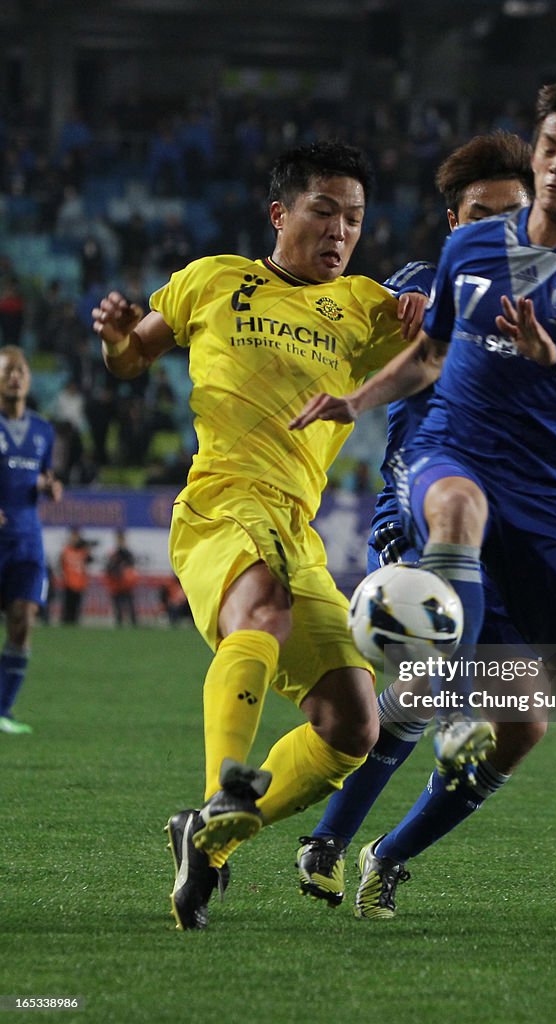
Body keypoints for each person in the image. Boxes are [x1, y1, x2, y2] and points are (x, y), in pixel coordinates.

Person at [291, 77, 556, 935]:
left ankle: (413, 851)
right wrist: (357, 392)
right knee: (452, 535)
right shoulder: (438, 267)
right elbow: (407, 343)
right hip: (436, 475)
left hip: (543, 498)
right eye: (550, 149)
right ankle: (333, 833)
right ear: (455, 216)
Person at [92, 140, 414, 932]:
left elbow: (453, 353)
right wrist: (117, 337)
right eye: (325, 211)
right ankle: (219, 791)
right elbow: (134, 359)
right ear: (281, 213)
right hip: (221, 501)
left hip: (297, 527)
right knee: (260, 611)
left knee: (355, 723)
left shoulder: (369, 306)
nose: (341, 231)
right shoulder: (211, 279)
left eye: (355, 219)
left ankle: (211, 837)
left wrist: (426, 307)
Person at [0, 346, 63, 733]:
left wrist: (49, 484)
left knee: (23, 620)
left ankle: (3, 711)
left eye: (20, 370)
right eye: (7, 370)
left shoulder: (43, 430)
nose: (15, 376)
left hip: (26, 539)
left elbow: (43, 474)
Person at [104, 529, 138, 626]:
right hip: (116, 585)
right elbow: (109, 568)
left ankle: (133, 623)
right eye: (119, 539)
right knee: (117, 607)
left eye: (122, 539)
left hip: (127, 584)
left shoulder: (127, 553)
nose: (120, 541)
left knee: (130, 606)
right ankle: (119, 623)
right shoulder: (114, 554)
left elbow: (131, 566)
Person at [59, 526, 93, 625]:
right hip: (68, 583)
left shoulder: (83, 551)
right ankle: (65, 622)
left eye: (77, 536)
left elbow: (90, 561)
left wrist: (87, 549)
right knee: (67, 606)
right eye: (73, 536)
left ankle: (75, 623)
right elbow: (61, 564)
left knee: (76, 606)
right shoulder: (66, 550)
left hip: (80, 583)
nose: (75, 538)